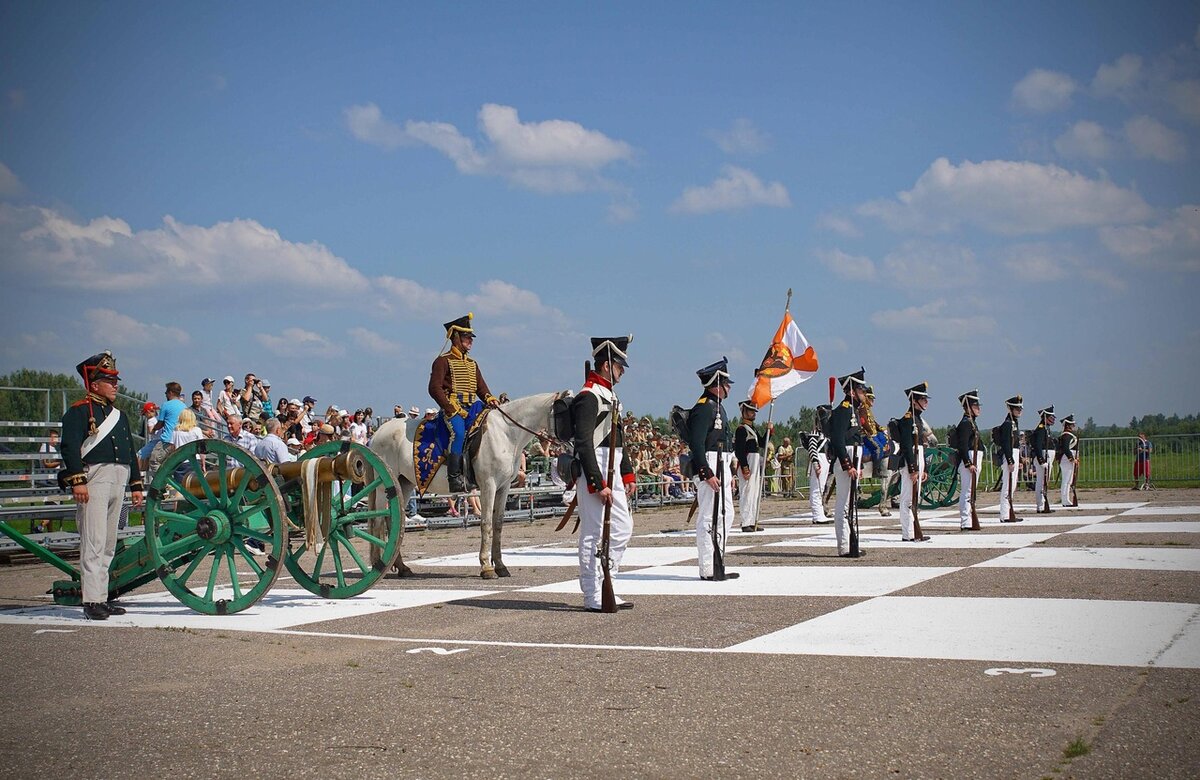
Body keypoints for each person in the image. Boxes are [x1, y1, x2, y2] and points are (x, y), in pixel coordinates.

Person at [59, 351, 144, 620]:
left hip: (118, 477)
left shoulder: (118, 415)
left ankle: (102, 597)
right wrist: (78, 480)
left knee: (108, 542)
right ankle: (92, 600)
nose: (115, 385)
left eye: (115, 380)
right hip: (94, 478)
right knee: (94, 541)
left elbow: (130, 450)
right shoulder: (79, 411)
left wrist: (136, 485)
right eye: (109, 380)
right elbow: (70, 447)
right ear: (94, 384)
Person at [569, 336, 635, 612]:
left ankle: (608, 581)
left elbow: (617, 438)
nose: (622, 371)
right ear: (607, 365)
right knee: (593, 533)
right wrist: (597, 483)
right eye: (619, 366)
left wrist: (627, 473)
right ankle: (592, 593)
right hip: (595, 470)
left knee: (622, 528)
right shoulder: (588, 397)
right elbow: (584, 443)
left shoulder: (608, 395)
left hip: (612, 467)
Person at [429, 313, 499, 492]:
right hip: (454, 407)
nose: (470, 341)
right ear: (455, 337)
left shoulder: (472, 364)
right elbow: (434, 388)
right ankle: (454, 478)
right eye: (467, 337)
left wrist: (490, 398)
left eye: (471, 337)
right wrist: (450, 408)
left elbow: (481, 389)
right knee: (458, 434)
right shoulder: (443, 361)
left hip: (473, 406)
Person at [686, 357, 738, 580]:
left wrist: (730, 472)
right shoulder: (703, 408)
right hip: (710, 463)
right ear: (717, 383)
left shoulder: (717, 407)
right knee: (708, 516)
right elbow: (696, 443)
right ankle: (707, 567)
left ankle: (718, 560)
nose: (728, 388)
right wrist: (706, 472)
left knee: (726, 514)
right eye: (726, 384)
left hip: (722, 463)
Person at [828, 368, 867, 557]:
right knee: (843, 504)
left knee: (851, 504)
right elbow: (837, 439)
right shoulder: (843, 410)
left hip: (854, 457)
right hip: (847, 458)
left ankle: (852, 543)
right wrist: (848, 465)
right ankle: (844, 546)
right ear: (852, 392)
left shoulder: (852, 410)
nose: (863, 394)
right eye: (860, 391)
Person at [896, 382, 931, 542]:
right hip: (911, 461)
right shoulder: (907, 420)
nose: (926, 402)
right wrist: (912, 468)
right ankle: (908, 533)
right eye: (923, 399)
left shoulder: (918, 419)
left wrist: (923, 469)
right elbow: (907, 446)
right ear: (914, 401)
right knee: (907, 499)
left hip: (919, 458)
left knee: (914, 497)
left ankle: (913, 530)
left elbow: (921, 446)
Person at [734, 399, 767, 532]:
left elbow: (762, 443)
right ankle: (746, 522)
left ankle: (753, 521)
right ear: (744, 412)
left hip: (755, 460)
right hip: (747, 462)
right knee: (747, 492)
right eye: (750, 411)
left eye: (754, 411)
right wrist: (745, 467)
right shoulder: (741, 430)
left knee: (754, 492)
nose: (753, 413)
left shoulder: (753, 429)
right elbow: (739, 451)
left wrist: (769, 430)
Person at [860, 385, 894, 517]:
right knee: (879, 448)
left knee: (885, 443)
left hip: (873, 433)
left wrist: (881, 428)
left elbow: (873, 422)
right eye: (871, 398)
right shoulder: (862, 408)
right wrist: (870, 431)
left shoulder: (868, 409)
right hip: (866, 435)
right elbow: (864, 422)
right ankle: (877, 470)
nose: (873, 401)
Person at [953, 389, 983, 531]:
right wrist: (968, 463)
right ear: (967, 407)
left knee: (971, 491)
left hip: (974, 457)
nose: (978, 408)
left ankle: (970, 518)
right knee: (967, 491)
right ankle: (965, 521)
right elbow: (963, 445)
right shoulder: (965, 423)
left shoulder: (971, 422)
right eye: (975, 406)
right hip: (969, 458)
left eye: (978, 406)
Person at [995, 395, 1024, 523]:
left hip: (1014, 454)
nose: (1019, 411)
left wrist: (1020, 460)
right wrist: (1011, 460)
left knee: (1012, 485)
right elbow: (1006, 444)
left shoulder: (1014, 423)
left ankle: (1008, 511)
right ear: (1010, 409)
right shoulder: (1007, 425)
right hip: (1010, 455)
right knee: (1007, 485)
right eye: (1017, 409)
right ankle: (1004, 514)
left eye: (1020, 409)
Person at [147, 382, 186, 477]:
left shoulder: (166, 405)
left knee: (154, 460)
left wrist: (153, 429)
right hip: (179, 440)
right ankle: (169, 481)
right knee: (171, 464)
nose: (166, 394)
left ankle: (164, 483)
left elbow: (160, 423)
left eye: (166, 392)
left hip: (167, 440)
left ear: (171, 392)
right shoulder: (184, 406)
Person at [802, 404, 833, 524]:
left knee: (821, 488)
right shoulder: (815, 432)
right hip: (819, 459)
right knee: (816, 489)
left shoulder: (825, 433)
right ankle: (817, 515)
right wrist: (815, 463)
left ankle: (820, 513)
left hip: (825, 459)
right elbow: (812, 448)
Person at [1031, 405, 1056, 513]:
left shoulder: (1045, 428)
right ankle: (1040, 505)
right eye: (1051, 417)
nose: (1053, 419)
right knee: (1041, 482)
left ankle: (1043, 503)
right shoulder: (1041, 428)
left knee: (1044, 481)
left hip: (1046, 457)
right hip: (1042, 458)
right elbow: (1037, 445)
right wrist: (1041, 460)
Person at [1058, 414, 1079, 507]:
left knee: (1069, 481)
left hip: (1069, 459)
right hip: (1067, 459)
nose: (1074, 426)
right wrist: (1071, 458)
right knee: (1066, 481)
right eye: (1072, 425)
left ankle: (1066, 499)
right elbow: (1066, 448)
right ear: (1068, 425)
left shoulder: (1068, 435)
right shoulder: (1066, 435)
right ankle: (1065, 500)